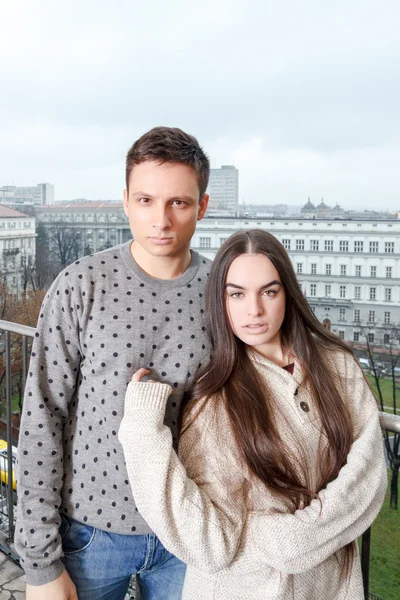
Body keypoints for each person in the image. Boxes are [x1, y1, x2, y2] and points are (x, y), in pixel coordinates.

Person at [118, 229, 387, 600]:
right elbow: (209, 544)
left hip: (330, 587)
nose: (254, 310)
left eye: (269, 291)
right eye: (237, 294)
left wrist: (295, 537)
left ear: (287, 294)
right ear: (221, 301)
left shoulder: (337, 367)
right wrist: (143, 431)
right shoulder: (215, 400)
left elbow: (369, 473)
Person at [15, 126, 212, 600]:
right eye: (146, 201)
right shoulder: (81, 284)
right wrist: (41, 563)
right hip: (88, 534)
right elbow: (43, 417)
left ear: (202, 206)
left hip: (189, 535)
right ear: (125, 201)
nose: (161, 219)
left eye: (178, 203)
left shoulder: (222, 293)